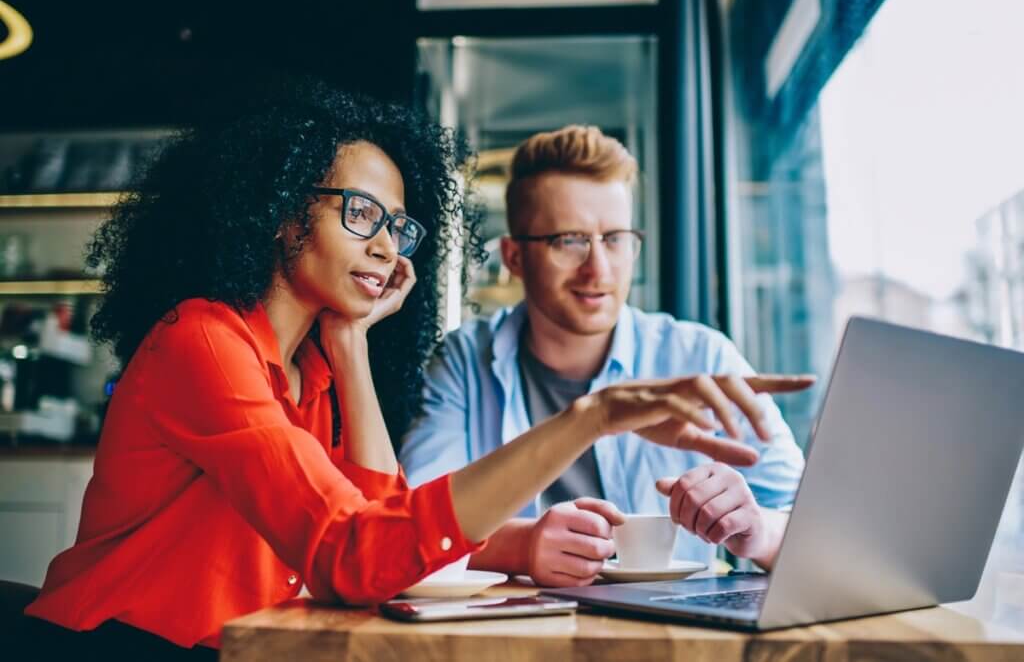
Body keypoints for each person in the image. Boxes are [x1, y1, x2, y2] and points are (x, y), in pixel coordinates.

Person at [23, 85, 810, 658]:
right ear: (283, 212)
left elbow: (381, 531)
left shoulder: (316, 374)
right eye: (359, 214)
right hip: (118, 644)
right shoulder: (203, 339)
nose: (387, 248)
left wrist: (353, 345)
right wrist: (590, 417)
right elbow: (355, 552)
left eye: (398, 226)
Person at [400, 125, 809, 588]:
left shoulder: (700, 356)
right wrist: (523, 545)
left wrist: (757, 531)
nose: (599, 268)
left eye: (615, 238)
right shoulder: (463, 361)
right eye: (569, 240)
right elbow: (410, 526)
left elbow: (815, 526)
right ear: (514, 257)